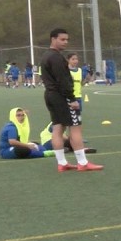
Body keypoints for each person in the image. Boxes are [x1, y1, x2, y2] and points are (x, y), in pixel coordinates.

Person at [42, 27, 102, 172]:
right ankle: (82, 162)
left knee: (57, 128)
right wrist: (72, 98)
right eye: (62, 39)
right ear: (53, 39)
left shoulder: (46, 56)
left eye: (67, 40)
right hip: (61, 97)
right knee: (75, 128)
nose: (65, 42)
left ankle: (62, 163)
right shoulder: (56, 58)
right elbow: (63, 80)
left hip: (50, 95)